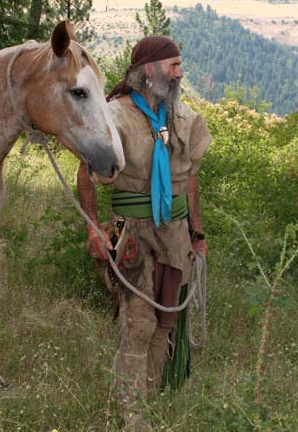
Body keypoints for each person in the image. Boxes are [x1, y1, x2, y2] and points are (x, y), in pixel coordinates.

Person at [76, 36, 210, 430]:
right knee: (139, 323)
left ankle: (146, 403)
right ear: (147, 71)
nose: (180, 72)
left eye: (180, 65)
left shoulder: (185, 119)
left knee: (165, 323)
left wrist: (197, 233)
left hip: (175, 237)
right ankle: (131, 416)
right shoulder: (114, 118)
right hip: (131, 234)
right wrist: (92, 229)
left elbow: (189, 181)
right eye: (173, 65)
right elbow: (86, 172)